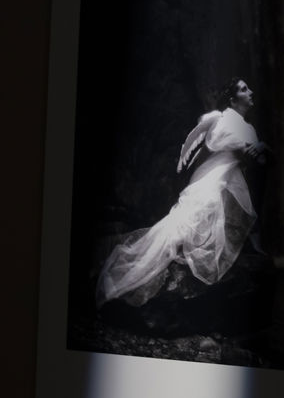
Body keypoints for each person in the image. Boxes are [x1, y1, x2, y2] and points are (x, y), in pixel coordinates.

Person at [96, 78, 269, 307]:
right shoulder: (221, 118)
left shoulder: (248, 128)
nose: (250, 92)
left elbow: (255, 159)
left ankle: (249, 248)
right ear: (232, 98)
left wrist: (259, 151)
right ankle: (140, 270)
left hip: (231, 178)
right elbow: (207, 140)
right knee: (187, 222)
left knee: (226, 216)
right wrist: (245, 148)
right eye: (244, 89)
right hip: (214, 177)